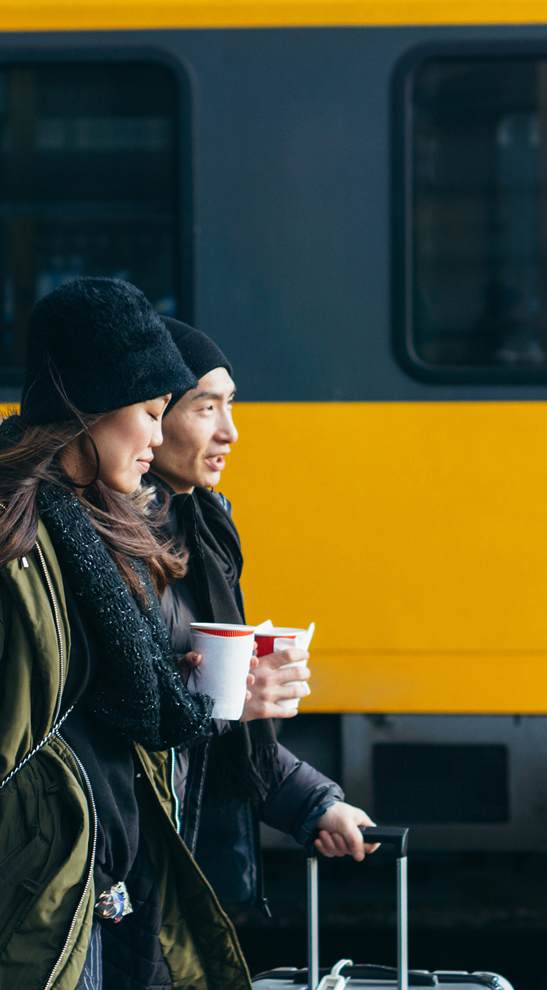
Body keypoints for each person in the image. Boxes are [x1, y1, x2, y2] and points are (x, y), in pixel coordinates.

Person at [0, 278, 248, 990]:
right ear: (89, 406)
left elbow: (116, 715)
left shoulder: (103, 534)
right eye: (150, 413)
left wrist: (202, 688)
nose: (159, 435)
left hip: (102, 911)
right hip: (18, 921)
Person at [151, 317, 379, 913]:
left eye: (231, 406)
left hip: (189, 873)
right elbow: (107, 723)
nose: (231, 432)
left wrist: (313, 804)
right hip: (140, 877)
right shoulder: (111, 544)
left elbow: (216, 734)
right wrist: (220, 701)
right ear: (151, 414)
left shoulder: (203, 525)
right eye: (206, 408)